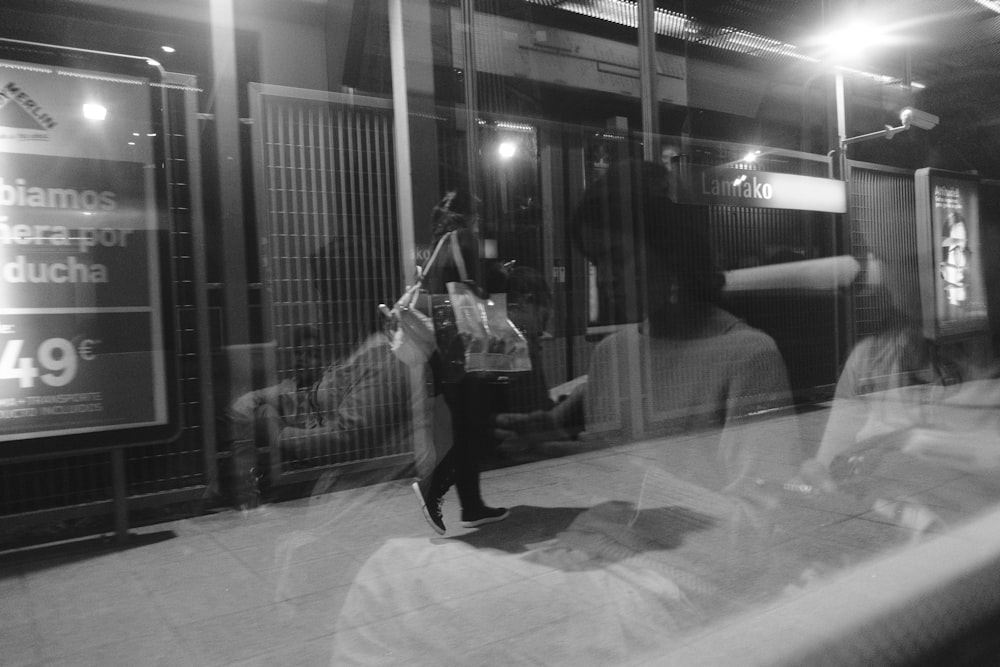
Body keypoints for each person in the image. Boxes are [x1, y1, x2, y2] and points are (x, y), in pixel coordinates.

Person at [496, 159, 800, 494]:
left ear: (669, 249)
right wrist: (563, 450)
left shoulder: (748, 358)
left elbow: (763, 525)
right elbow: (608, 483)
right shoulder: (609, 355)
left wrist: (629, 479)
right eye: (597, 263)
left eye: (617, 257)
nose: (606, 278)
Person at [228, 236, 412, 479]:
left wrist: (279, 434)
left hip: (363, 488)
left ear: (348, 296)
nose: (320, 304)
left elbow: (348, 440)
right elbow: (316, 395)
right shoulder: (352, 350)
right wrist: (258, 399)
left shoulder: (385, 358)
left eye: (324, 293)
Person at [411, 190, 510, 534]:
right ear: (470, 216)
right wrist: (499, 277)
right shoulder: (464, 238)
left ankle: (471, 506)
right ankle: (434, 488)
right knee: (475, 427)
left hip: (444, 350)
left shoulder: (438, 244)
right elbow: (475, 288)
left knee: (466, 426)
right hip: (465, 349)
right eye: (477, 216)